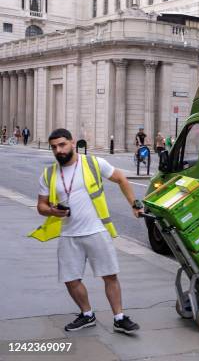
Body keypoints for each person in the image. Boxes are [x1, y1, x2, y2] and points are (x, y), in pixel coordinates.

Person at [34, 128, 143, 334]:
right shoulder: (49, 174)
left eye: (62, 144)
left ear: (72, 143)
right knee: (70, 279)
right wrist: (53, 211)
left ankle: (119, 318)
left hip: (96, 230)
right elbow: (41, 206)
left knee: (109, 276)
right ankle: (87, 315)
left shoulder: (93, 163)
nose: (58, 150)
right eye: (54, 147)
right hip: (68, 234)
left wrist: (134, 204)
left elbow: (121, 178)